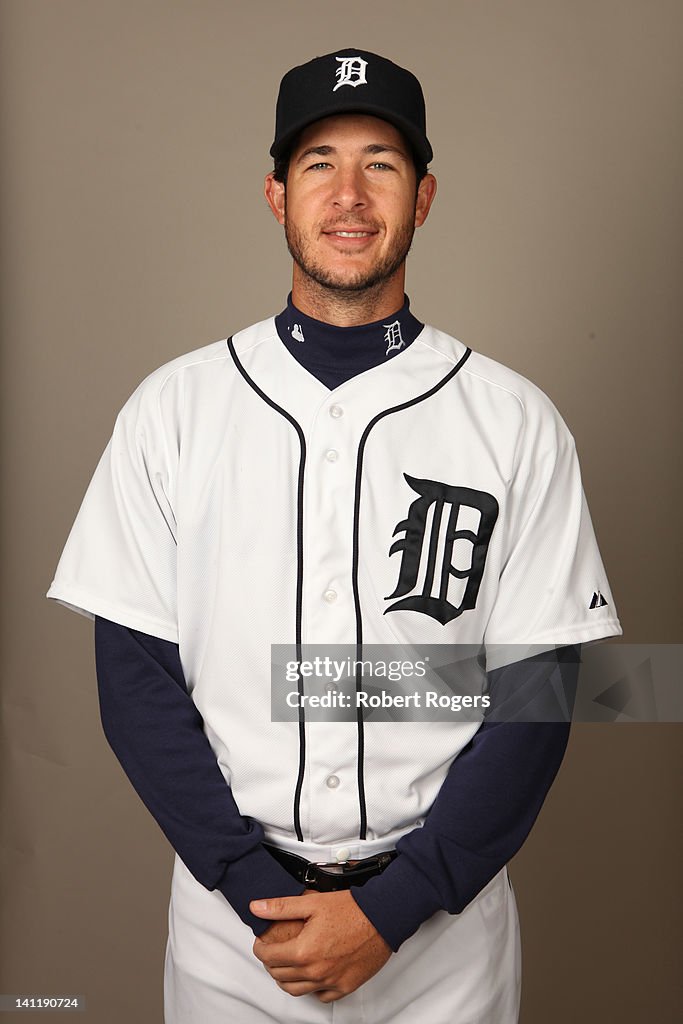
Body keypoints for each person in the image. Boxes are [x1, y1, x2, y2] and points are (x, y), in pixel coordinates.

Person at [48, 49, 622, 1023]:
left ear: (424, 196)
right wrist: (248, 889)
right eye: (318, 162)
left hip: (444, 932)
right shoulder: (173, 411)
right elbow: (134, 679)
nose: (348, 194)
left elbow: (539, 695)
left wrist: (393, 908)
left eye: (381, 164)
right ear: (275, 194)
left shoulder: (514, 422)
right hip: (234, 937)